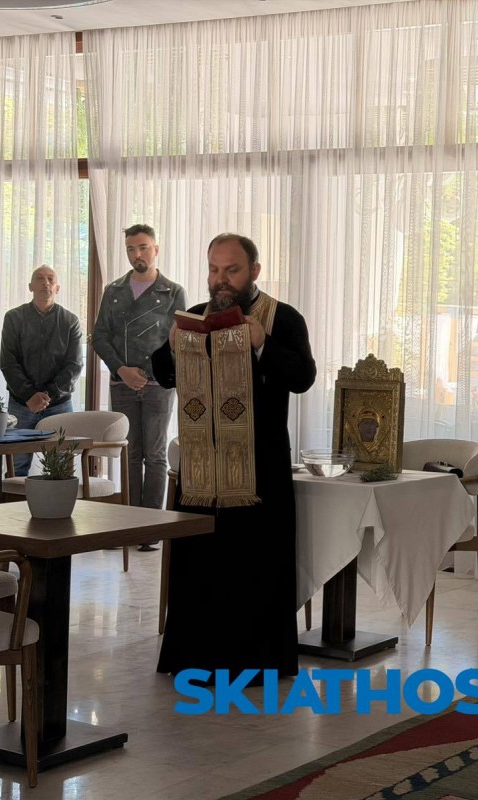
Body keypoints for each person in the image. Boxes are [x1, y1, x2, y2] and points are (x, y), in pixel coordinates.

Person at [152, 232, 315, 678]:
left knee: (255, 568)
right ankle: (194, 659)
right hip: (201, 472)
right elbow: (163, 374)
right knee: (199, 565)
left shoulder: (283, 317)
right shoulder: (195, 317)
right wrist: (170, 348)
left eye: (232, 270)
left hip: (259, 471)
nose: (220, 279)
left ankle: (256, 663)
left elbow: (303, 377)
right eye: (214, 269)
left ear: (254, 271)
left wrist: (262, 343)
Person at [93, 224, 186, 549]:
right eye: (131, 249)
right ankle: (130, 524)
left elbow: (179, 340)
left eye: (143, 247)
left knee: (155, 455)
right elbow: (100, 336)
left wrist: (147, 373)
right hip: (121, 382)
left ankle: (151, 529)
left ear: (155, 249)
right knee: (130, 453)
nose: (138, 254)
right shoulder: (114, 290)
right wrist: (121, 369)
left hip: (159, 383)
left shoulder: (173, 291)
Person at [0, 265, 84, 476]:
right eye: (39, 278)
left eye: (50, 279)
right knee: (16, 467)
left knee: (61, 468)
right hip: (21, 404)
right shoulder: (13, 318)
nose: (45, 283)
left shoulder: (70, 321)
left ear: (58, 288)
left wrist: (47, 395)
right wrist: (29, 395)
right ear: (30, 286)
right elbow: (8, 362)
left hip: (59, 404)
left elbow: (74, 365)